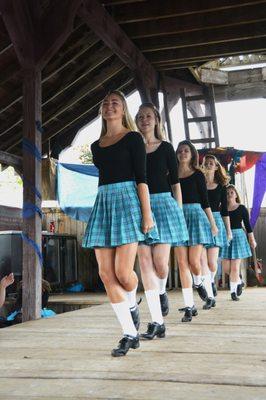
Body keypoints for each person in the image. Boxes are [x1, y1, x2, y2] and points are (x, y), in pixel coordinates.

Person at [82, 91, 157, 356]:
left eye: (115, 102)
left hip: (128, 202)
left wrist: (147, 215)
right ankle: (129, 332)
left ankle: (133, 305)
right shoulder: (95, 146)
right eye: (105, 103)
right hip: (104, 203)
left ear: (123, 109)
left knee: (123, 273)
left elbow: (142, 179)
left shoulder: (134, 138)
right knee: (106, 274)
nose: (109, 105)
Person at [135, 103, 188, 340]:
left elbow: (175, 183)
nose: (144, 120)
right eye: (140, 116)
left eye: (148, 116)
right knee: (144, 263)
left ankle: (162, 290)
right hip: (139, 207)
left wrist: (178, 211)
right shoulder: (132, 145)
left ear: (156, 120)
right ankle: (157, 321)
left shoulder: (166, 148)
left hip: (164, 206)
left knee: (160, 264)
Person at [175, 140, 218, 322]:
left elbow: (205, 201)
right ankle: (189, 306)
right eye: (180, 150)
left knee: (194, 262)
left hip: (196, 217)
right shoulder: (171, 174)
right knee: (182, 264)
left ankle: (199, 282)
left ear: (192, 154)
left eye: (186, 150)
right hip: (178, 218)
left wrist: (213, 223)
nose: (183, 153)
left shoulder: (198, 174)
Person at [200, 155, 232, 309]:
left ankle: (211, 281)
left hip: (216, 221)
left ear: (217, 167)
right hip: (201, 220)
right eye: (206, 163)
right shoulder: (198, 182)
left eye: (211, 163)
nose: (208, 165)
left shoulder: (221, 186)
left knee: (212, 263)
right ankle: (209, 296)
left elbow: (225, 211)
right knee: (202, 262)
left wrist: (228, 230)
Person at [220, 184, 256, 301]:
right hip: (226, 237)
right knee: (226, 268)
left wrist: (252, 239)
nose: (229, 194)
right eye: (227, 193)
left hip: (239, 237)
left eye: (232, 192)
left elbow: (248, 226)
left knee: (235, 268)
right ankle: (239, 281)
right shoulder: (222, 208)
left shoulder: (242, 208)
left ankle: (233, 292)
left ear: (236, 194)